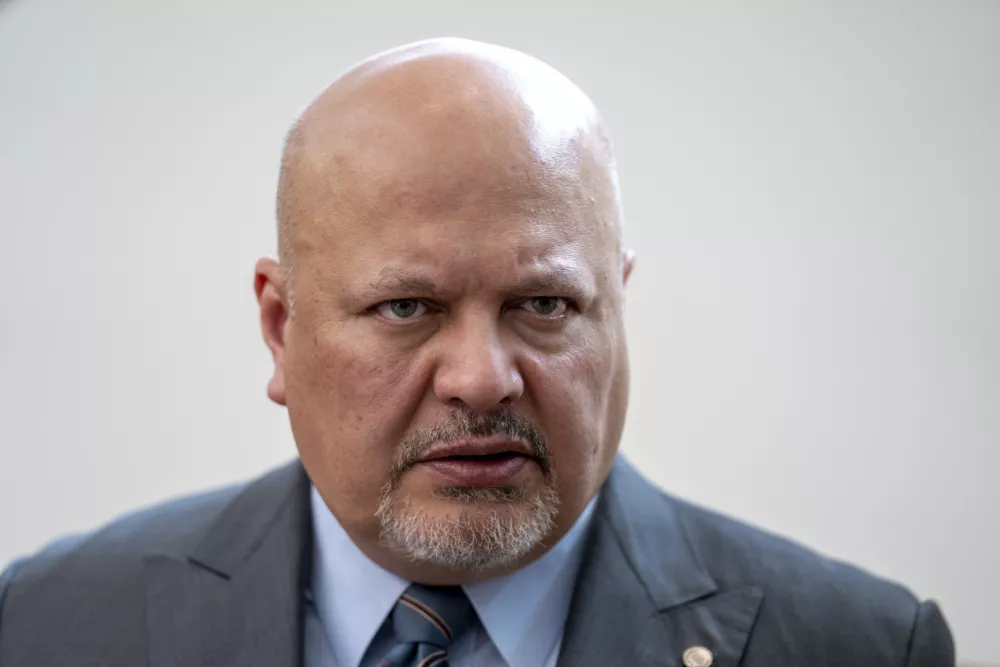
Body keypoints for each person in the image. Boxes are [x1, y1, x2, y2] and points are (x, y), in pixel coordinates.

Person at [0, 38, 953, 667]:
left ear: (615, 309)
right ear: (282, 329)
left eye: (544, 303)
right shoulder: (48, 627)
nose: (482, 377)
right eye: (406, 306)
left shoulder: (859, 645)